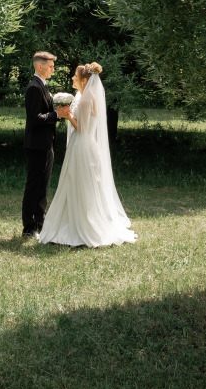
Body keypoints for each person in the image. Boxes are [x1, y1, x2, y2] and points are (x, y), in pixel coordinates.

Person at [39, 62, 136, 247]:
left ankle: (81, 226)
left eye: (75, 76)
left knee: (78, 183)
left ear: (84, 80)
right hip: (87, 145)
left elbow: (82, 128)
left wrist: (68, 117)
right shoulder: (87, 96)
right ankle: (73, 221)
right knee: (81, 183)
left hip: (82, 145)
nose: (73, 78)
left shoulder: (85, 99)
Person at [22, 51, 70, 237]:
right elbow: (35, 118)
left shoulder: (43, 85)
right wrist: (57, 115)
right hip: (36, 145)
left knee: (43, 186)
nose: (53, 69)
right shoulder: (34, 87)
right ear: (40, 66)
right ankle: (29, 227)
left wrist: (57, 113)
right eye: (51, 66)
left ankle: (40, 222)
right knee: (34, 186)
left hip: (45, 143)